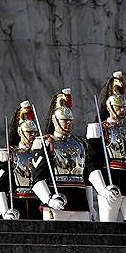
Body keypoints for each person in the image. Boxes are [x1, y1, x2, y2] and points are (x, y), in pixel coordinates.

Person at [87, 71, 126, 222]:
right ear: (109, 106)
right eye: (118, 106)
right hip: (109, 181)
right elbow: (91, 162)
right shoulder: (99, 129)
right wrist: (102, 188)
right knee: (108, 226)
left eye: (123, 106)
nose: (122, 109)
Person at [31, 89, 91, 221]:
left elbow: (86, 179)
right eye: (64, 120)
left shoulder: (81, 144)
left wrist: (91, 207)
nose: (68, 123)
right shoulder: (46, 143)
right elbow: (37, 178)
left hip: (80, 202)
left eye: (70, 120)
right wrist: (48, 199)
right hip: (56, 199)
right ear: (55, 120)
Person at [0, 101, 42, 219]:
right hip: (17, 202)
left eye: (34, 132)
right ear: (20, 132)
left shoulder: (41, 151)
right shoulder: (9, 153)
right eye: (29, 132)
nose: (33, 135)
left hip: (39, 202)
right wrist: (4, 210)